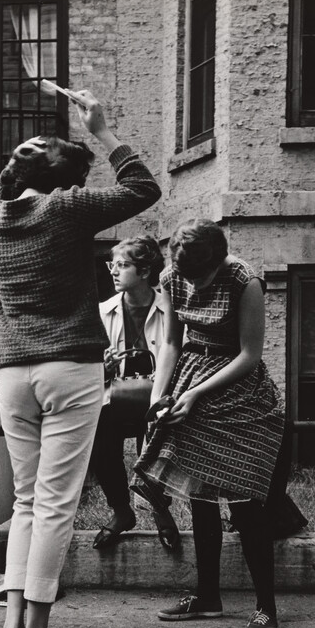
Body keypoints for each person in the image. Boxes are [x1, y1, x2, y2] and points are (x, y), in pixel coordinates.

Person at [0, 90, 162, 628]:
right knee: (56, 505)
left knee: (26, 501)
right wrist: (102, 130)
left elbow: (4, 187)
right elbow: (144, 189)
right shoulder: (66, 210)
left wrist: (19, 160)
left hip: (13, 372)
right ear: (66, 184)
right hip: (69, 368)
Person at [132, 218, 285, 628]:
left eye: (201, 276)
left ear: (218, 260)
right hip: (190, 378)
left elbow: (250, 354)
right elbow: (171, 343)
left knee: (244, 501)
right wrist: (158, 397)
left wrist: (197, 393)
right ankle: (207, 596)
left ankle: (266, 608)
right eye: (187, 275)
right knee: (200, 498)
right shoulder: (172, 277)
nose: (194, 284)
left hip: (239, 392)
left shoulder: (243, 280)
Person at [91, 235, 180, 551]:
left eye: (122, 265)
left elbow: (178, 354)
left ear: (144, 271)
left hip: (159, 395)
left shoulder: (169, 308)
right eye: (112, 265)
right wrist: (103, 366)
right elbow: (88, 369)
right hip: (115, 395)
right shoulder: (103, 311)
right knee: (99, 433)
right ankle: (121, 511)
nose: (114, 272)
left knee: (156, 434)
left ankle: (160, 510)